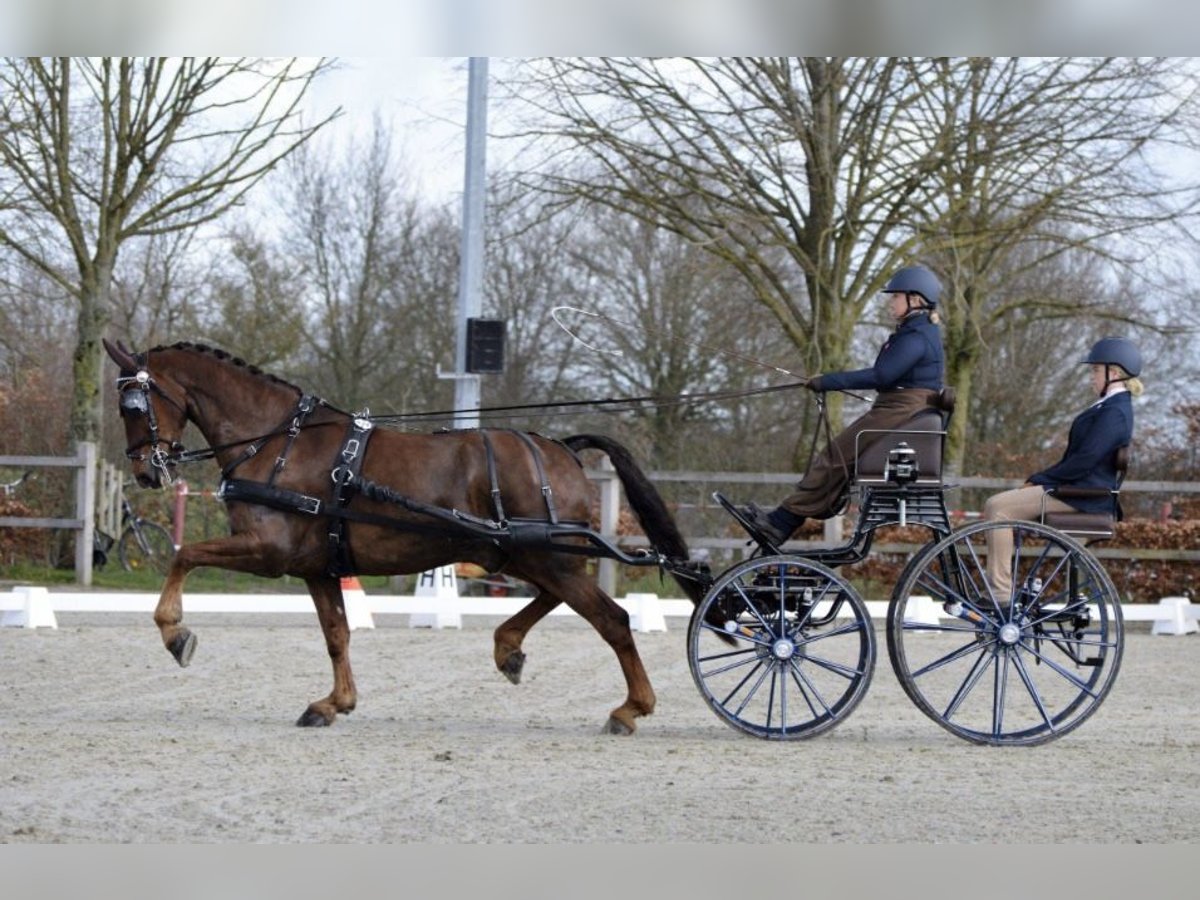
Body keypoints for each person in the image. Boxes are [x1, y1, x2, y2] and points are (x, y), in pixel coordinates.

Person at [741, 264, 946, 546]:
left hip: (901, 410)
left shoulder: (916, 337)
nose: (891, 302)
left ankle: (781, 523)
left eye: (895, 296)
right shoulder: (915, 333)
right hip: (898, 407)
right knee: (838, 457)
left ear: (915, 299)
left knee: (835, 455)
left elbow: (881, 375)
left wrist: (829, 381)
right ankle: (783, 521)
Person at [981, 337, 1141, 599]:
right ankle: (1001, 588)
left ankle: (999, 592)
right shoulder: (1108, 407)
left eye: (1095, 371)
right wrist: (1042, 479)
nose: (1092, 377)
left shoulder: (1115, 412)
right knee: (996, 505)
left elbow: (1085, 459)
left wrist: (1041, 478)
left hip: (1084, 496)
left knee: (999, 508)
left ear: (1114, 373)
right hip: (1074, 490)